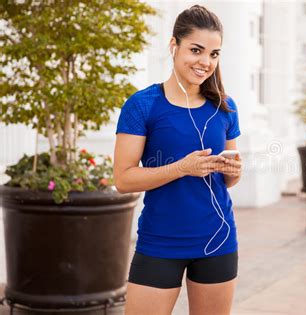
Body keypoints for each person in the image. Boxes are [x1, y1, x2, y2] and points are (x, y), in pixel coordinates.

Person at [113, 5, 242, 314]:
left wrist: (234, 170)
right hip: (160, 241)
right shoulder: (142, 105)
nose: (205, 62)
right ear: (174, 46)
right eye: (196, 50)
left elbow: (228, 180)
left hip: (218, 240)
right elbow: (123, 179)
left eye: (214, 54)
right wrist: (183, 167)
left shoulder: (225, 107)